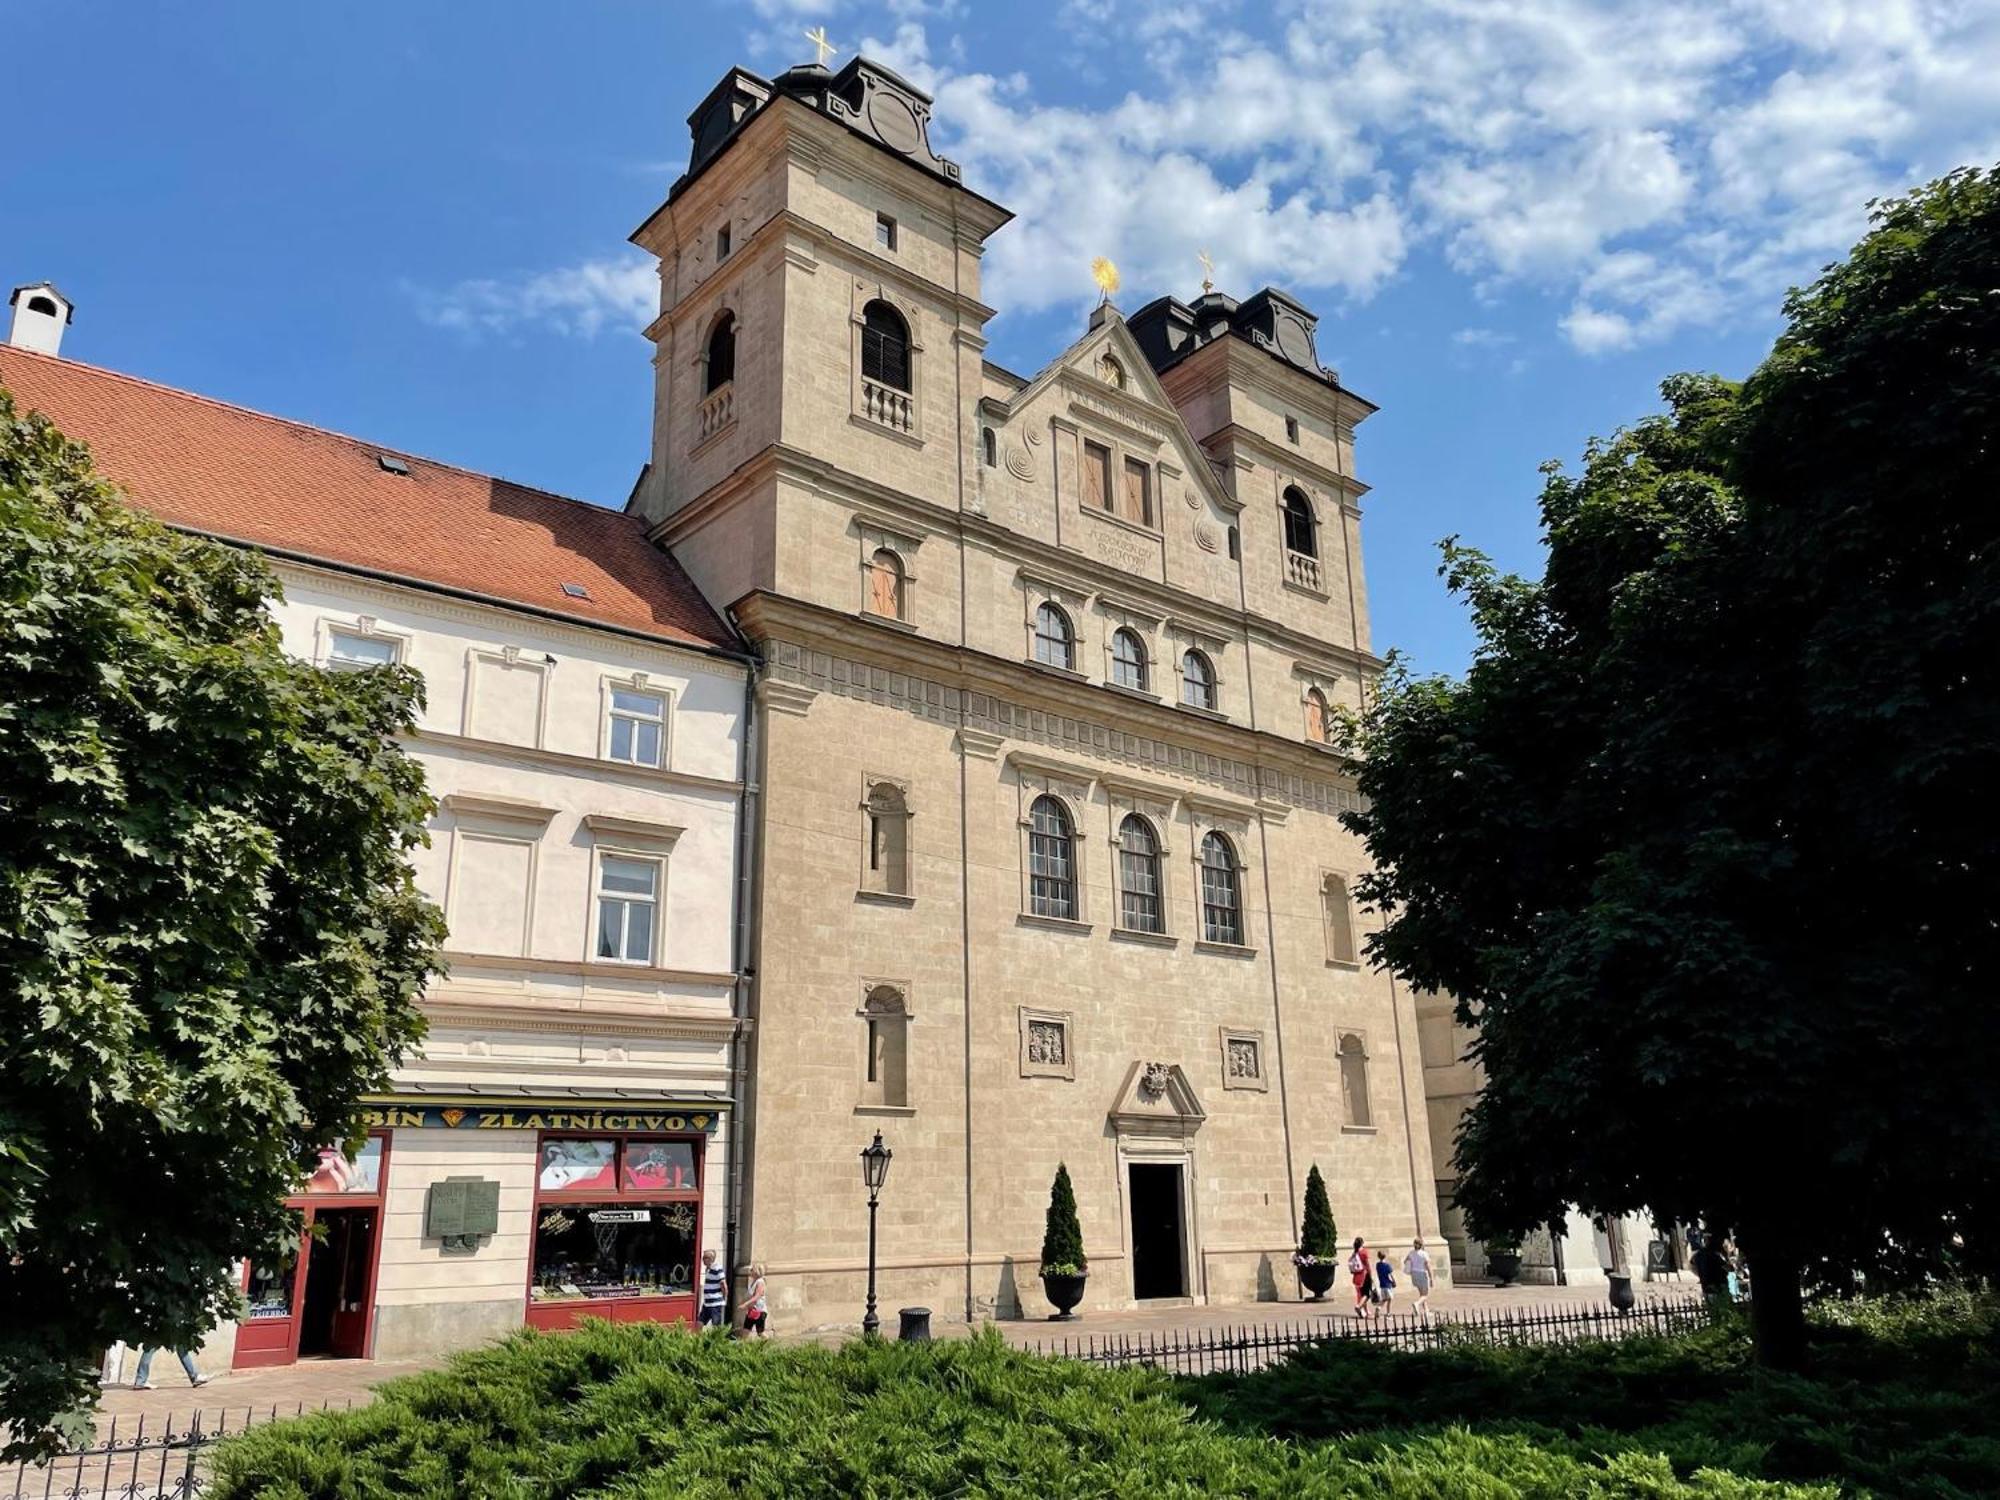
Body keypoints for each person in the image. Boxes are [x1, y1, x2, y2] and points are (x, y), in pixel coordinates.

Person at [131, 1346, 208, 1390]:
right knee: (181, 1346)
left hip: (157, 1323)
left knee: (150, 1348)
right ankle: (194, 1377)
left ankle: (140, 1380)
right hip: (167, 1323)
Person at [1403, 1238, 1435, 1322]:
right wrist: (1431, 1278)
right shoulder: (1424, 1254)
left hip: (1414, 1274)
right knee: (1425, 1294)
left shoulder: (1411, 1253)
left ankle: (1426, 1311)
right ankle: (1416, 1303)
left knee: (1421, 1293)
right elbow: (1428, 1266)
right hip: (1422, 1273)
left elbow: (1405, 1261)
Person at [699, 1248, 728, 1329]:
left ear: (710, 1259)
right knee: (699, 1322)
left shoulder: (717, 1268)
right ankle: (698, 1341)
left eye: (705, 1257)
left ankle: (716, 1341)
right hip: (707, 1303)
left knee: (716, 1326)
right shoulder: (708, 1269)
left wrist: (725, 1298)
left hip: (715, 1304)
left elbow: (723, 1284)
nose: (703, 1259)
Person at [740, 1263, 769, 1337]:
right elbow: (750, 1295)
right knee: (745, 1332)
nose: (750, 1271)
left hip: (759, 1311)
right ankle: (743, 1348)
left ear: (756, 1271)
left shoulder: (760, 1282)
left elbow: (757, 1296)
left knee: (760, 1333)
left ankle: (768, 1344)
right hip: (752, 1310)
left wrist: (745, 1304)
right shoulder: (754, 1282)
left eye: (752, 1269)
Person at [1347, 1237, 1372, 1320]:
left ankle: (1365, 1311)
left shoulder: (1355, 1253)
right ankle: (1359, 1306)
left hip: (1356, 1277)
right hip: (1364, 1275)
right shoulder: (1364, 1252)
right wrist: (1371, 1275)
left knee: (1360, 1294)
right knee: (1366, 1294)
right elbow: (1367, 1265)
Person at [1375, 1248, 1397, 1313]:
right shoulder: (1387, 1265)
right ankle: (1388, 1313)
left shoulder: (1378, 1265)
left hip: (1382, 1285)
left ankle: (1379, 1307)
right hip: (1388, 1285)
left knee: (1384, 1299)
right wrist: (1394, 1282)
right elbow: (1391, 1275)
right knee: (1389, 1300)